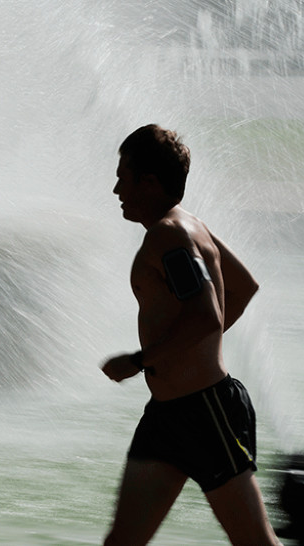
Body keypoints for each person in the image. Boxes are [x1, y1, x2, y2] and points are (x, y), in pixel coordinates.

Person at [100, 124, 280, 545]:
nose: (116, 189)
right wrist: (186, 352)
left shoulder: (169, 235)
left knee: (255, 542)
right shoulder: (190, 225)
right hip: (166, 416)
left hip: (206, 413)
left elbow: (206, 315)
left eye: (123, 177)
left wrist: (139, 361)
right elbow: (242, 288)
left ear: (149, 182)